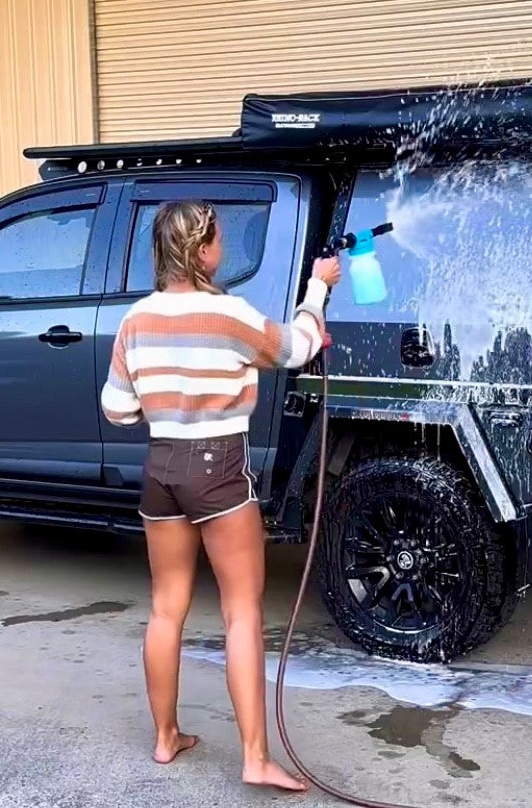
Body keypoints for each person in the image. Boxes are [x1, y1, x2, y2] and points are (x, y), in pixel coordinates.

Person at [100, 199, 340, 791]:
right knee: (240, 613)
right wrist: (317, 288)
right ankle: (255, 758)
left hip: (162, 467)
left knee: (165, 608)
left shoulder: (135, 321)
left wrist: (166, 399)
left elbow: (117, 409)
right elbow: (296, 347)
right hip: (220, 466)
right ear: (201, 251)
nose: (223, 249)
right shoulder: (228, 315)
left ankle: (165, 738)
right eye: (218, 241)